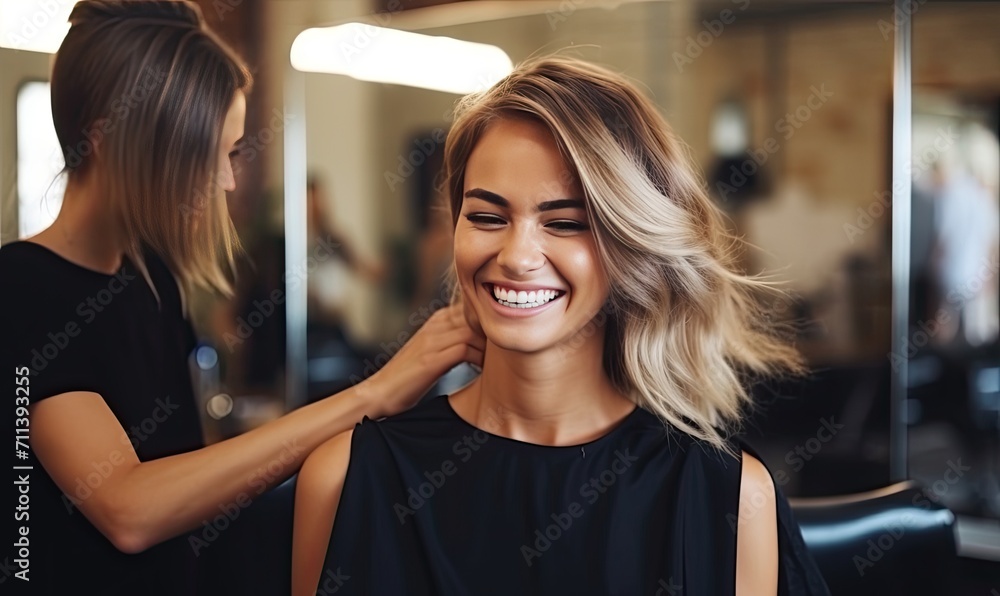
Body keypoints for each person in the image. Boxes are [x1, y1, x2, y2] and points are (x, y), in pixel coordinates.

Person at [291, 56, 831, 595]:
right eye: (486, 216)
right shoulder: (345, 479)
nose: (518, 256)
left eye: (566, 223)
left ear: (632, 246)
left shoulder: (728, 497)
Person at [0, 2, 484, 595]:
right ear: (120, 141)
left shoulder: (152, 280)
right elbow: (129, 509)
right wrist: (374, 395)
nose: (228, 181)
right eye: (217, 153)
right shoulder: (22, 290)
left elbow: (194, 495)